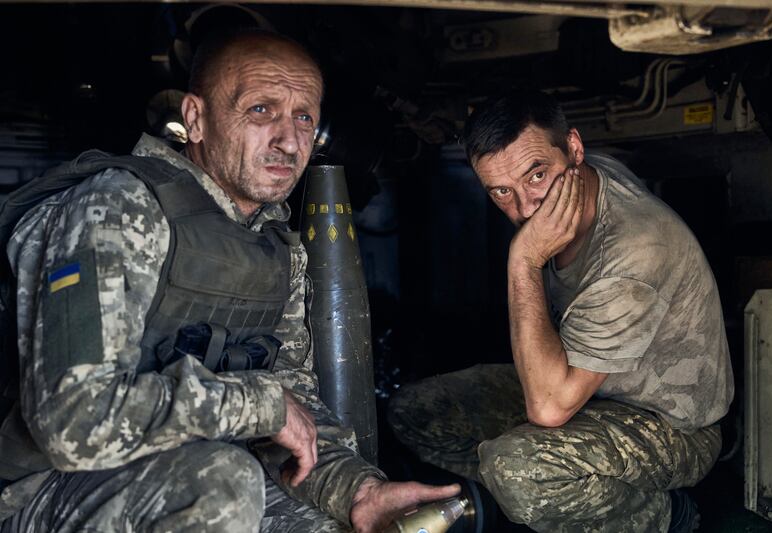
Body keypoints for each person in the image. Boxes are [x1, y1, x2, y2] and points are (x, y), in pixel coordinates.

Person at [0, 28, 458, 533]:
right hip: (47, 489)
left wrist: (359, 492)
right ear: (196, 119)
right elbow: (73, 421)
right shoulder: (118, 206)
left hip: (191, 474)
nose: (288, 140)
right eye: (261, 110)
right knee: (223, 482)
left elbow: (295, 417)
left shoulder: (274, 246)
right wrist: (257, 406)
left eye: (303, 117)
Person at [388, 91, 734, 532]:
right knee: (416, 411)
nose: (525, 208)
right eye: (501, 191)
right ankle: (539, 501)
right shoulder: (582, 177)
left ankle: (662, 515)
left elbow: (549, 410)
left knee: (516, 469)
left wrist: (524, 260)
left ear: (574, 148)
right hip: (589, 390)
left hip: (672, 426)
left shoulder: (634, 252)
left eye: (536, 175)